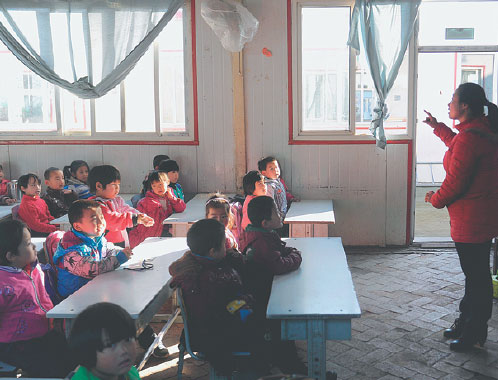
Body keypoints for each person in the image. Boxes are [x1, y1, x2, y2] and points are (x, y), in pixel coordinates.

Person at [423, 82, 498, 352]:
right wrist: (437, 126)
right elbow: (456, 145)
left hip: (472, 221)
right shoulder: (476, 131)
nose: (449, 103)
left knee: (476, 278)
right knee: (475, 276)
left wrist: (435, 200)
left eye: (453, 99)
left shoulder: (470, 137)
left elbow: (455, 183)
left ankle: (474, 331)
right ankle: (467, 323)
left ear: (465, 106)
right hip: (479, 218)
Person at [169, 219, 268, 375]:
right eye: (224, 245)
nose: (227, 247)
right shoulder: (207, 279)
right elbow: (225, 309)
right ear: (212, 252)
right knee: (268, 329)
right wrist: (248, 300)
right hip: (217, 336)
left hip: (217, 326)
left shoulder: (205, 263)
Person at [0, 220, 75, 377]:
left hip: (44, 332)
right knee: (51, 369)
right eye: (27, 243)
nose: (34, 247)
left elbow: (44, 298)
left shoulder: (33, 269)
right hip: (17, 344)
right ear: (11, 256)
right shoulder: (3, 283)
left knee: (74, 354)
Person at [240, 195, 305, 374]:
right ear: (265, 223)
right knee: (282, 323)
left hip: (266, 289)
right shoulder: (261, 241)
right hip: (263, 297)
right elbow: (279, 265)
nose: (280, 214)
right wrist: (296, 256)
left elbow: (280, 250)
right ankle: (288, 363)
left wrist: (288, 252)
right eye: (276, 212)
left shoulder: (263, 234)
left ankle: (286, 357)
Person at [52, 200, 133, 298]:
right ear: (77, 226)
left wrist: (121, 252)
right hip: (74, 297)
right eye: (95, 220)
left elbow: (108, 250)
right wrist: (119, 259)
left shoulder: (96, 238)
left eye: (102, 217)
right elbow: (93, 269)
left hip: (93, 288)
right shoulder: (71, 250)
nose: (101, 223)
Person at [67, 302, 140, 380]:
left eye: (127, 339)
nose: (124, 350)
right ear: (87, 353)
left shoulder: (130, 373)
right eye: (110, 345)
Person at [88, 165, 154, 247]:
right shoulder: (95, 206)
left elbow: (126, 209)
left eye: (118, 184)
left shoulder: (116, 200)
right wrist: (135, 219)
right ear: (99, 186)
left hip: (120, 239)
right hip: (106, 244)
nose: (117, 188)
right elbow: (111, 219)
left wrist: (141, 216)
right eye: (113, 184)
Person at [128, 170, 186, 248]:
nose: (158, 188)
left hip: (163, 233)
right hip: (148, 234)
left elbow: (181, 208)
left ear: (168, 182)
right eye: (154, 186)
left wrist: (172, 198)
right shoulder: (145, 202)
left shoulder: (169, 197)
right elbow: (140, 224)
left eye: (160, 184)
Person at [257, 157, 299, 222]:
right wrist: (275, 218)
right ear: (264, 173)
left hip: (284, 215)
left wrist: (291, 198)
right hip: (276, 219)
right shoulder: (268, 186)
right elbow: (270, 204)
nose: (276, 170)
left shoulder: (279, 181)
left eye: (277, 167)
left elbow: (284, 193)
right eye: (272, 169)